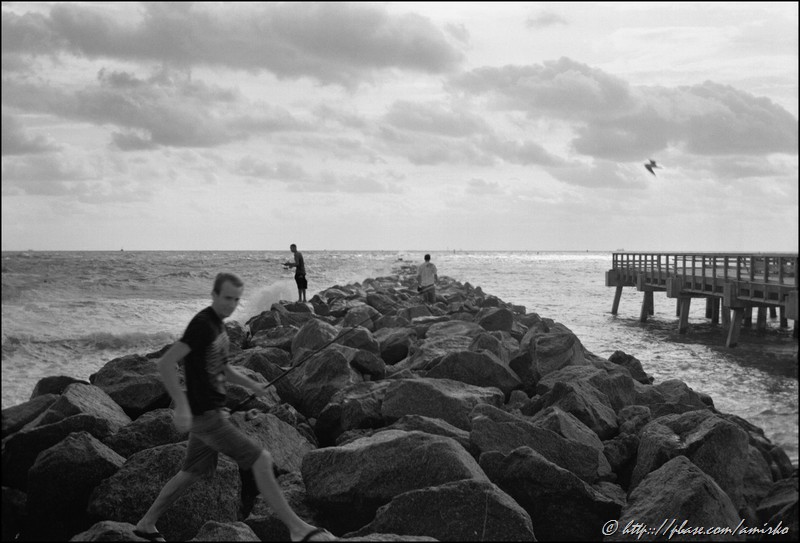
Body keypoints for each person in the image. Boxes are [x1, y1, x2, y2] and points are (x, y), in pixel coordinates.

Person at [134, 272, 334, 543]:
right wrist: (181, 405)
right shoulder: (202, 325)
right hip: (206, 418)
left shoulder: (219, 326)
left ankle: (146, 524)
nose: (231, 304)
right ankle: (297, 529)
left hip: (211, 413)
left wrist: (252, 385)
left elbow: (223, 368)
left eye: (236, 300)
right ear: (214, 295)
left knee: (190, 472)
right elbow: (166, 363)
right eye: (226, 298)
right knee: (261, 460)